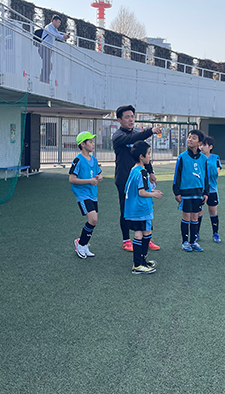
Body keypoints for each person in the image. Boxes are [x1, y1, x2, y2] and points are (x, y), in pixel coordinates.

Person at [112, 105, 162, 252]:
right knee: (126, 209)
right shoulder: (118, 136)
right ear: (119, 120)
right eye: (127, 117)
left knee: (145, 206)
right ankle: (126, 240)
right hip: (124, 179)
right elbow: (133, 138)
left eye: (132, 116)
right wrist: (150, 131)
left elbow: (144, 155)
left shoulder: (136, 135)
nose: (131, 119)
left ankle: (147, 238)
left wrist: (151, 172)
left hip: (140, 177)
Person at [124, 141, 164, 274]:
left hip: (135, 208)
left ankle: (142, 261)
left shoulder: (134, 169)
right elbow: (141, 192)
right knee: (142, 233)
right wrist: (154, 194)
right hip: (141, 208)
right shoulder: (142, 172)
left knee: (144, 232)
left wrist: (151, 190)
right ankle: (138, 264)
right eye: (148, 153)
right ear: (141, 156)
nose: (149, 156)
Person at [173, 129, 209, 252]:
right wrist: (177, 192)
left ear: (199, 143)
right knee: (186, 216)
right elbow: (177, 175)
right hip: (185, 192)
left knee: (195, 217)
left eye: (193, 138)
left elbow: (206, 176)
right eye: (189, 137)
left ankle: (193, 241)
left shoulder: (203, 158)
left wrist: (206, 192)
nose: (190, 139)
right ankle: (185, 242)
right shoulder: (182, 157)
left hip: (198, 192)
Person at [69, 131, 102, 259]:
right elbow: (72, 179)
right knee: (93, 219)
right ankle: (81, 244)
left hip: (93, 194)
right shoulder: (78, 160)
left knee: (93, 221)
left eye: (93, 141)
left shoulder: (94, 160)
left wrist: (99, 177)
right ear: (82, 144)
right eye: (90, 142)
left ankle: (83, 243)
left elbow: (98, 173)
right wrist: (89, 181)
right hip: (83, 194)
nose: (93, 144)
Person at [199, 135, 222, 242]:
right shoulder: (197, 158)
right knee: (199, 212)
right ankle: (196, 233)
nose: (201, 147)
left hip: (212, 189)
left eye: (204, 145)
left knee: (213, 211)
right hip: (200, 189)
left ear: (210, 147)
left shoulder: (215, 158)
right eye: (200, 145)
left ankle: (215, 233)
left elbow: (216, 173)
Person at [39, 14, 70, 84]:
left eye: (60, 23)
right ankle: (43, 79)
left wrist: (65, 37)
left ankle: (45, 79)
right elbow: (54, 34)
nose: (59, 24)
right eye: (58, 22)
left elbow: (58, 36)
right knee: (47, 64)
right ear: (54, 21)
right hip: (44, 47)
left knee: (48, 65)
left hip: (48, 49)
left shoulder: (55, 29)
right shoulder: (49, 27)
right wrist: (63, 36)